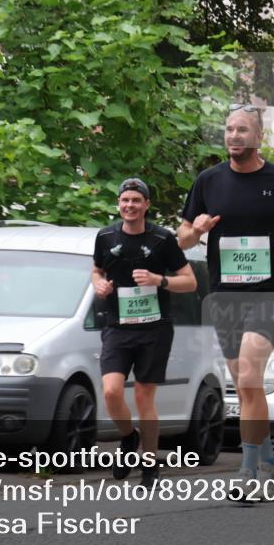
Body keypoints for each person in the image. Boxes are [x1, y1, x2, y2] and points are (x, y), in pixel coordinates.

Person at [178, 104, 274, 501]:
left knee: (247, 377)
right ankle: (272, 460)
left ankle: (249, 472)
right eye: (228, 129)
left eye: (242, 130)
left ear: (259, 137)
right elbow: (183, 238)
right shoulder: (208, 181)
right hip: (225, 293)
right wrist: (198, 229)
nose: (234, 136)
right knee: (245, 387)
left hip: (271, 290)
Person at [92, 178, 197, 486]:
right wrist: (98, 284)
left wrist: (158, 279)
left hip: (154, 329)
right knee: (111, 391)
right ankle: (128, 438)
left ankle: (149, 463)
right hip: (117, 327)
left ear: (146, 205)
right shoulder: (105, 236)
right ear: (119, 204)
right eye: (125, 200)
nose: (130, 206)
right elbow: (97, 269)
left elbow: (190, 281)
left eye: (136, 200)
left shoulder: (163, 239)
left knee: (143, 397)